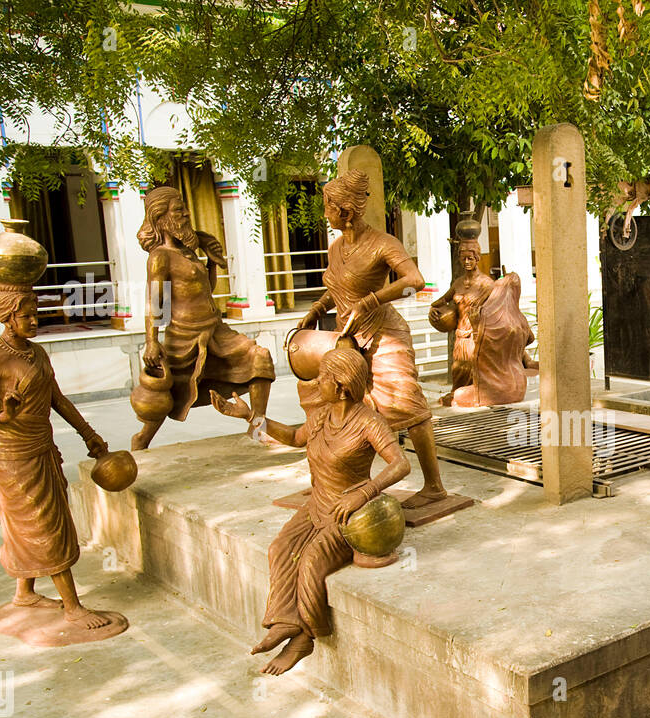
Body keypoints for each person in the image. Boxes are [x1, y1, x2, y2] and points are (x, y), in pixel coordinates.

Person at [211, 345, 411, 675]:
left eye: (324, 377)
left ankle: (306, 636)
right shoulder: (320, 416)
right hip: (317, 503)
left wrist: (365, 492)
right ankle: (286, 622)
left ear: (343, 385)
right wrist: (250, 417)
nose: (317, 382)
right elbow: (292, 436)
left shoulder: (369, 423)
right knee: (280, 548)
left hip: (347, 513)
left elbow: (400, 464)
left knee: (312, 561)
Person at [0, 284, 114, 629]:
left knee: (34, 519)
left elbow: (58, 399)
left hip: (41, 444)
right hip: (12, 451)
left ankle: (24, 592)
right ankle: (72, 606)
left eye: (35, 314)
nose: (33, 321)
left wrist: (88, 433)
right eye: (25, 316)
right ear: (7, 318)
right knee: (42, 523)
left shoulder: (38, 353)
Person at [297, 170, 447, 509]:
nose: (325, 214)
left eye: (329, 208)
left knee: (407, 407)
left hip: (384, 335)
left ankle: (434, 485)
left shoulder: (383, 243)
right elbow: (336, 286)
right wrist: (318, 307)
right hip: (347, 340)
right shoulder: (336, 248)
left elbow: (415, 281)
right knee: (326, 401)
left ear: (346, 212)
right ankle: (328, 480)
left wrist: (371, 300)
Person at [132, 186, 276, 450]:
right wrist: (151, 341)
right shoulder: (159, 257)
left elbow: (205, 290)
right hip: (184, 336)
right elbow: (156, 304)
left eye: (185, 208)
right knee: (167, 396)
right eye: (179, 210)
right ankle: (142, 440)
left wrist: (211, 262)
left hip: (217, 331)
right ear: (160, 218)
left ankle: (258, 426)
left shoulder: (188, 252)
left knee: (260, 357)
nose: (187, 214)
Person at [428, 237, 537, 406]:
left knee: (477, 372)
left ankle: (471, 396)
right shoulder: (458, 283)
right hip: (460, 337)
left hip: (476, 337)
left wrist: (523, 356)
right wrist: (433, 312)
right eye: (463, 258)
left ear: (478, 258)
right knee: (458, 370)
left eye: (470, 258)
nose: (466, 262)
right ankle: (458, 394)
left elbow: (500, 314)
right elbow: (440, 301)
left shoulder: (487, 284)